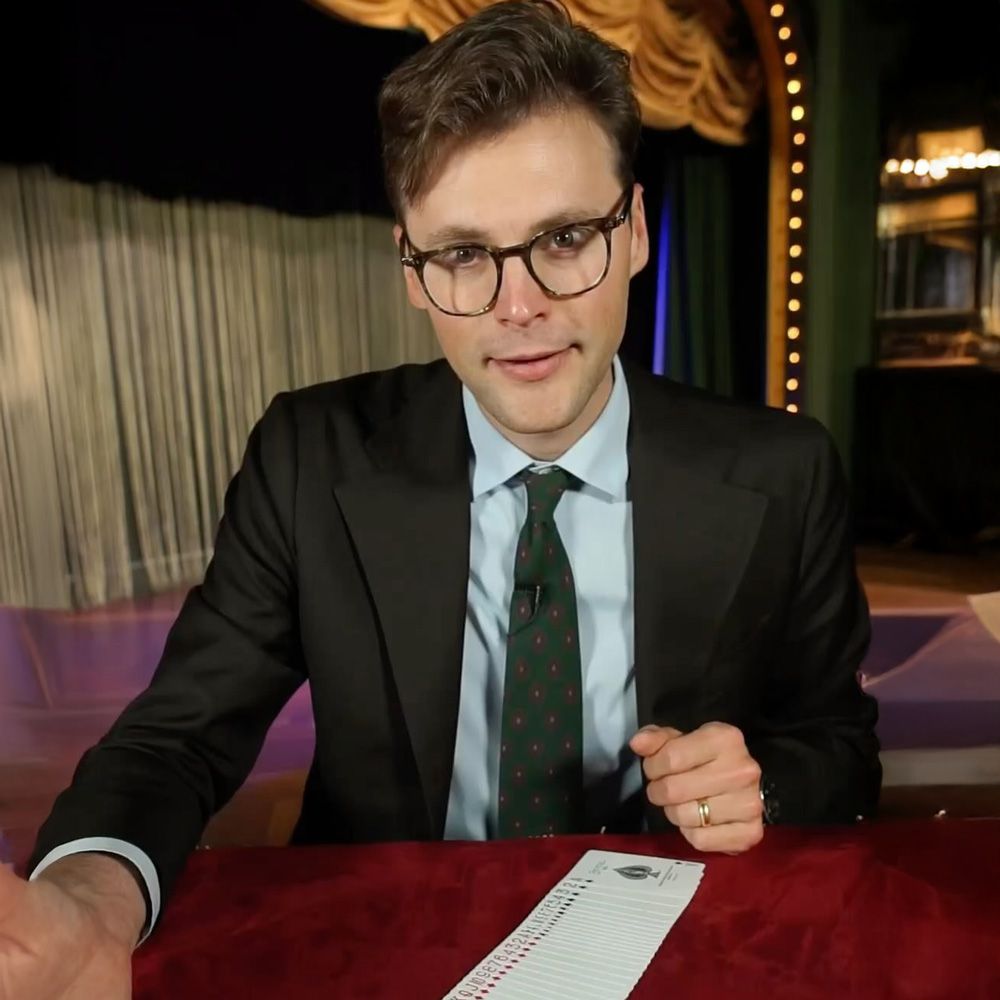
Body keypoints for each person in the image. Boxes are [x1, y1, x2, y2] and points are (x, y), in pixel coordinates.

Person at [0, 1, 880, 995]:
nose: (519, 306)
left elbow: (839, 749)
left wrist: (761, 783)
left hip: (681, 947)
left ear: (634, 231)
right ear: (414, 274)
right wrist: (90, 902)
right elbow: (178, 739)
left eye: (565, 237)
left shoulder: (783, 470)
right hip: (382, 951)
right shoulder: (309, 455)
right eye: (464, 255)